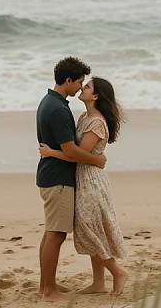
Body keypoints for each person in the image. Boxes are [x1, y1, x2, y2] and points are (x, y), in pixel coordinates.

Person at [39, 77, 127, 296]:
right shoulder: (84, 117)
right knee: (93, 228)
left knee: (90, 230)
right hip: (82, 178)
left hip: (91, 181)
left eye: (87, 86)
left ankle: (117, 273)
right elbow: (78, 152)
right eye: (82, 83)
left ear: (95, 96)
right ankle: (99, 283)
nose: (82, 88)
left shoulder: (96, 122)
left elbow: (81, 155)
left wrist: (52, 153)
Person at [36, 57, 107, 302]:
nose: (80, 87)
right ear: (68, 80)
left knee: (50, 233)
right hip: (58, 178)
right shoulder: (57, 109)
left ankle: (47, 284)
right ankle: (48, 290)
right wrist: (97, 161)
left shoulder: (50, 101)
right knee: (55, 234)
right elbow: (69, 150)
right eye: (79, 82)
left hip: (52, 174)